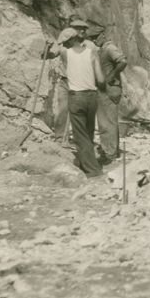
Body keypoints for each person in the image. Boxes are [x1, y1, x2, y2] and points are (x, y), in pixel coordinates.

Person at [54, 17, 106, 178]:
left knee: (82, 133)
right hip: (81, 89)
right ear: (73, 31)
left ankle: (92, 169)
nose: (82, 31)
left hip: (78, 92)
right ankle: (62, 141)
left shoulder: (84, 48)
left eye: (84, 29)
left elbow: (53, 52)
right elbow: (101, 79)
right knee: (67, 115)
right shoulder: (71, 46)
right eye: (78, 29)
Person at [92, 26, 128, 165]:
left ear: (102, 35)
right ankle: (112, 151)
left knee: (106, 122)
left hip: (109, 89)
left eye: (96, 38)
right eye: (92, 39)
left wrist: (111, 76)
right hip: (107, 89)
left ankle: (109, 154)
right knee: (108, 121)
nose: (94, 41)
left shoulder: (109, 48)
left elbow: (123, 61)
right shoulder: (103, 49)